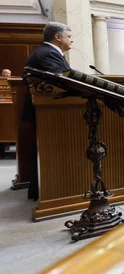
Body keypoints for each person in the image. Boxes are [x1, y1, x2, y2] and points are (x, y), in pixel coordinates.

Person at [23, 22, 73, 201]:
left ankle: (39, 190)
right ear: (57, 37)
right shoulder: (48, 53)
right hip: (50, 112)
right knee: (49, 151)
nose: (71, 40)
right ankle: (50, 194)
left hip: (45, 110)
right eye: (69, 36)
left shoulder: (46, 52)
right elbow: (61, 83)